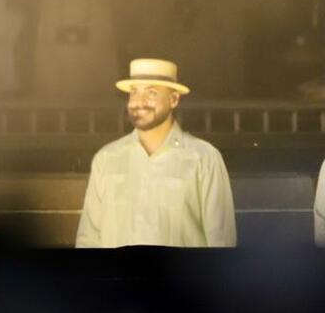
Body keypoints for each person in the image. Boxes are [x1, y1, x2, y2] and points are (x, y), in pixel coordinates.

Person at [76, 59, 236, 247]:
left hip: (181, 277)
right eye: (134, 92)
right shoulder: (107, 159)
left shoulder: (204, 158)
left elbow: (221, 242)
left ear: (174, 99)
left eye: (151, 93)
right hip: (120, 276)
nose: (139, 102)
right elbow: (89, 239)